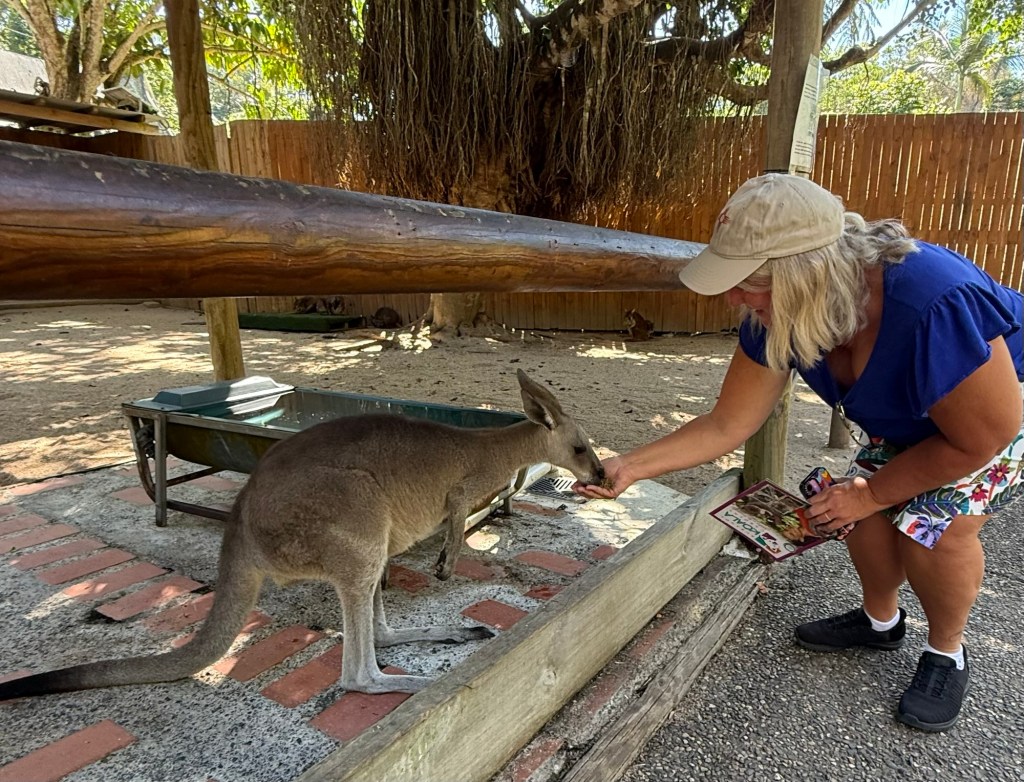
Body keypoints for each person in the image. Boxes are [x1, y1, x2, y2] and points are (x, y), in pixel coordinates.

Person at [574, 173, 1024, 732]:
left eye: (749, 282)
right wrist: (630, 466)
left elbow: (983, 437)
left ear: (806, 274)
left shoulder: (933, 299)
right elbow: (727, 422)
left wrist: (874, 492)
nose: (733, 298)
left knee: (931, 528)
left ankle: (946, 652)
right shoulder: (778, 313)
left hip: (993, 414)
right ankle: (881, 623)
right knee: (859, 518)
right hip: (911, 420)